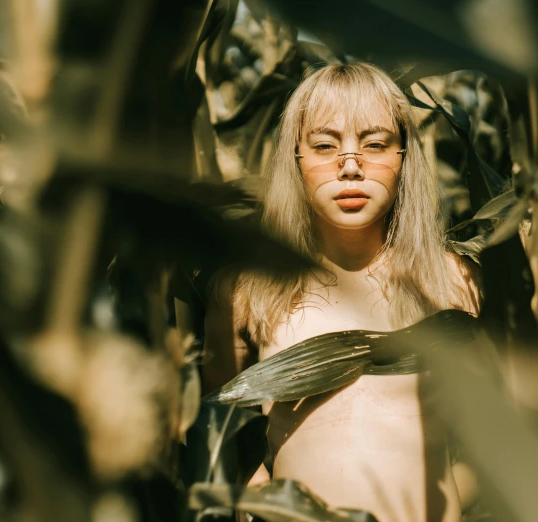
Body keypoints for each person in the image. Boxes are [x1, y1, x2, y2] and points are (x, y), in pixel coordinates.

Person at [202, 62, 481, 522]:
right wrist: (262, 504)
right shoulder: (248, 292)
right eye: (325, 145)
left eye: (374, 144)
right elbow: (220, 434)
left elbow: (501, 434)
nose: (350, 167)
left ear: (404, 156)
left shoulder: (453, 283)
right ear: (296, 158)